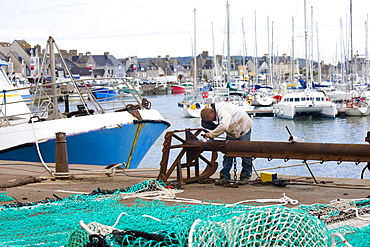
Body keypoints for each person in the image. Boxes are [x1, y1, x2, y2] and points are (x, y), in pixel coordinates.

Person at [200, 102, 253, 186]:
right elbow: (223, 126)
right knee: (228, 153)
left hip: (243, 127)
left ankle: (246, 175)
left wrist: (211, 134)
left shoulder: (222, 111)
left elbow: (224, 126)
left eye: (209, 121)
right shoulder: (218, 112)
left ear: (210, 116)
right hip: (232, 130)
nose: (211, 122)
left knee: (245, 152)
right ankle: (225, 176)